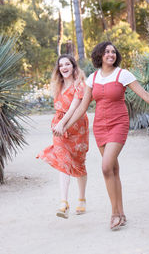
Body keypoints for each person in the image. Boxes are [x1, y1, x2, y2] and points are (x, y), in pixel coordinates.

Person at [54, 42, 149, 230]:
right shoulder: (93, 78)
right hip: (100, 126)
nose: (111, 54)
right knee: (112, 170)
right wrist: (65, 125)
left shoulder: (123, 74)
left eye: (113, 51)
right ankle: (121, 213)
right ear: (100, 55)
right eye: (107, 51)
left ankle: (115, 213)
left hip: (118, 124)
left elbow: (146, 96)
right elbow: (83, 107)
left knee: (106, 166)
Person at [37, 54, 89, 219]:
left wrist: (63, 124)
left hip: (77, 126)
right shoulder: (57, 86)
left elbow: (74, 107)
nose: (64, 67)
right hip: (59, 127)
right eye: (61, 65)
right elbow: (59, 108)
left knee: (79, 164)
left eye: (68, 64)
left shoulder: (80, 85)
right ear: (58, 69)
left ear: (73, 67)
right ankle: (63, 202)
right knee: (63, 161)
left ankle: (81, 198)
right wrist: (57, 124)